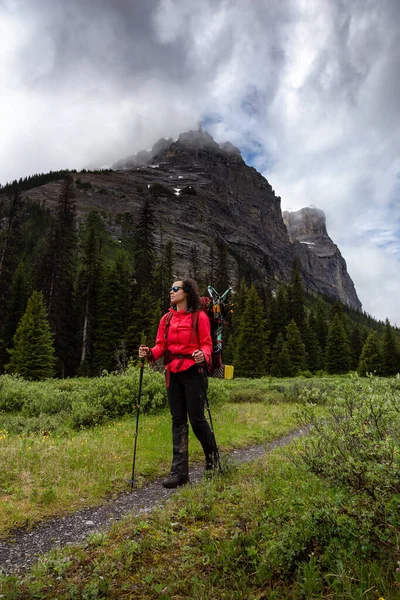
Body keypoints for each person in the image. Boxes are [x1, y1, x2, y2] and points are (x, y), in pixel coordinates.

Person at [138, 278, 218, 489]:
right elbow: (160, 347)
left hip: (194, 372)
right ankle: (179, 472)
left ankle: (213, 459)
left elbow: (207, 344)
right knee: (178, 421)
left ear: (186, 292)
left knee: (197, 419)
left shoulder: (199, 317)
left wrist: (203, 355)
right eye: (170, 288)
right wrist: (149, 353)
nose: (171, 292)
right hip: (172, 372)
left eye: (175, 288)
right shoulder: (166, 319)